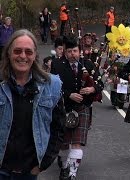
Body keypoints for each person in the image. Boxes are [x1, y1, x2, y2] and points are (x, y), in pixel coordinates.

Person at [0, 29, 65, 179]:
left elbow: (58, 128)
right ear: (9, 53)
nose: (23, 56)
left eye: (28, 52)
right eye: (17, 51)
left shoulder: (52, 86)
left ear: (35, 55)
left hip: (29, 172)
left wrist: (43, 163)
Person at [50, 36, 104, 180]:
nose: (72, 54)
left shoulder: (88, 65)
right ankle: (63, 164)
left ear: (79, 51)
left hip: (82, 107)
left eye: (75, 51)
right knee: (63, 144)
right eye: (69, 51)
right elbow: (52, 88)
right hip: (63, 108)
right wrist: (69, 95)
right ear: (64, 53)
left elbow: (100, 84)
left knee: (77, 143)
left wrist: (92, 89)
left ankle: (72, 174)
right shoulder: (57, 65)